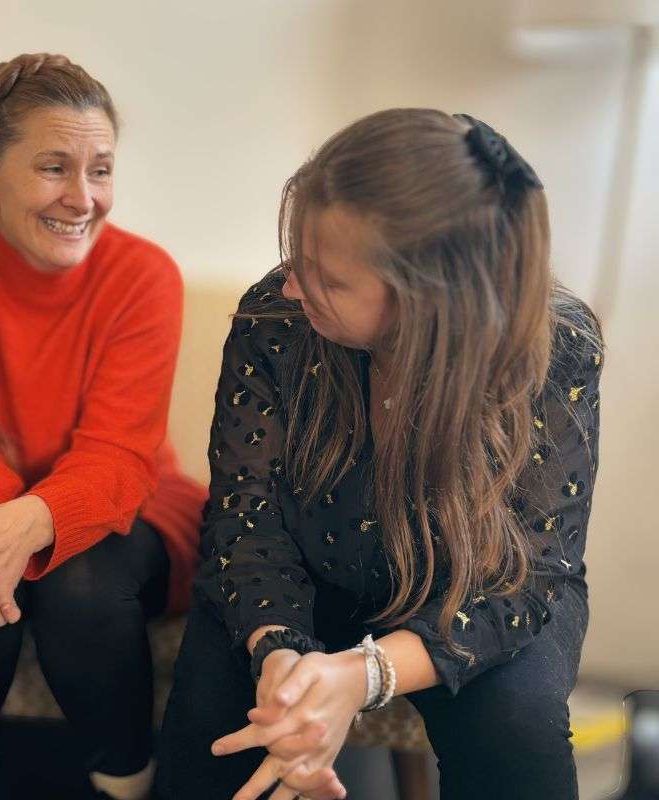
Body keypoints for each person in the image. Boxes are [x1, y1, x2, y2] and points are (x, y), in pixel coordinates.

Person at [158, 108, 602, 800]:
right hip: (307, 576)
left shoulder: (556, 348)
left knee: (518, 727)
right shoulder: (277, 320)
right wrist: (282, 659)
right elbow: (246, 522)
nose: (294, 285)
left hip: (483, 592)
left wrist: (364, 674)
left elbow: (532, 571)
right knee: (215, 708)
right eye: (297, 258)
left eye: (327, 280)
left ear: (428, 304)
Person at [0, 53, 206, 800]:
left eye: (100, 170)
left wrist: (16, 529)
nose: (84, 198)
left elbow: (117, 456)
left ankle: (128, 787)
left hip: (129, 506)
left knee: (82, 584)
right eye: (54, 168)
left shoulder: (144, 276)